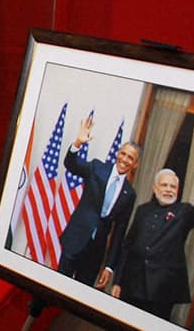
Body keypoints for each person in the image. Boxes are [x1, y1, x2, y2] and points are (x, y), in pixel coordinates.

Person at [110, 159, 194, 320]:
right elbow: (128, 247)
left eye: (173, 186)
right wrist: (118, 281)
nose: (169, 189)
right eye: (164, 185)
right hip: (132, 285)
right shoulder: (143, 210)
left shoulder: (184, 212)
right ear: (155, 188)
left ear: (178, 190)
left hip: (162, 290)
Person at [57, 114, 139, 287]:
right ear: (118, 153)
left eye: (130, 158)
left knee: (78, 295)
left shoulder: (129, 194)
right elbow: (71, 165)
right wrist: (77, 143)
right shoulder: (96, 168)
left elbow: (119, 232)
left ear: (135, 164)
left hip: (95, 252)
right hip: (75, 239)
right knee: (54, 287)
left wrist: (109, 266)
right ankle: (35, 313)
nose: (124, 159)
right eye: (123, 154)